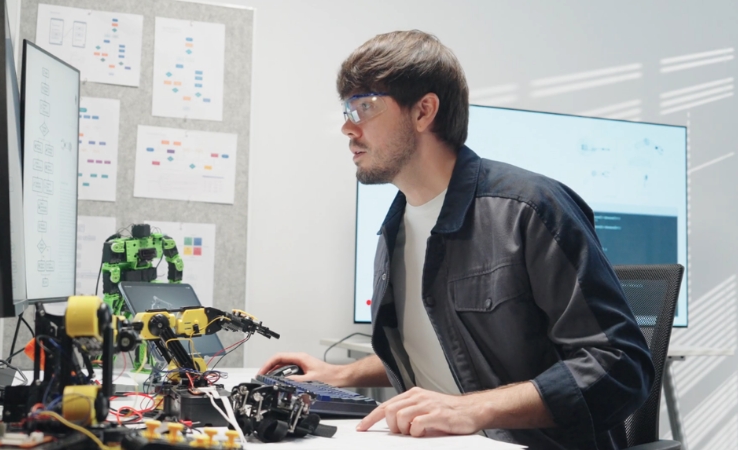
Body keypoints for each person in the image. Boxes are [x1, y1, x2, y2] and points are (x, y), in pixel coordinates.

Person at [260, 30, 654, 449]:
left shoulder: (531, 208)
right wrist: (344, 374)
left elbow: (621, 367)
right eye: (346, 108)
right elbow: (446, 347)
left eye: (364, 107)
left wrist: (471, 408)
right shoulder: (395, 228)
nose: (347, 126)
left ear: (423, 111)